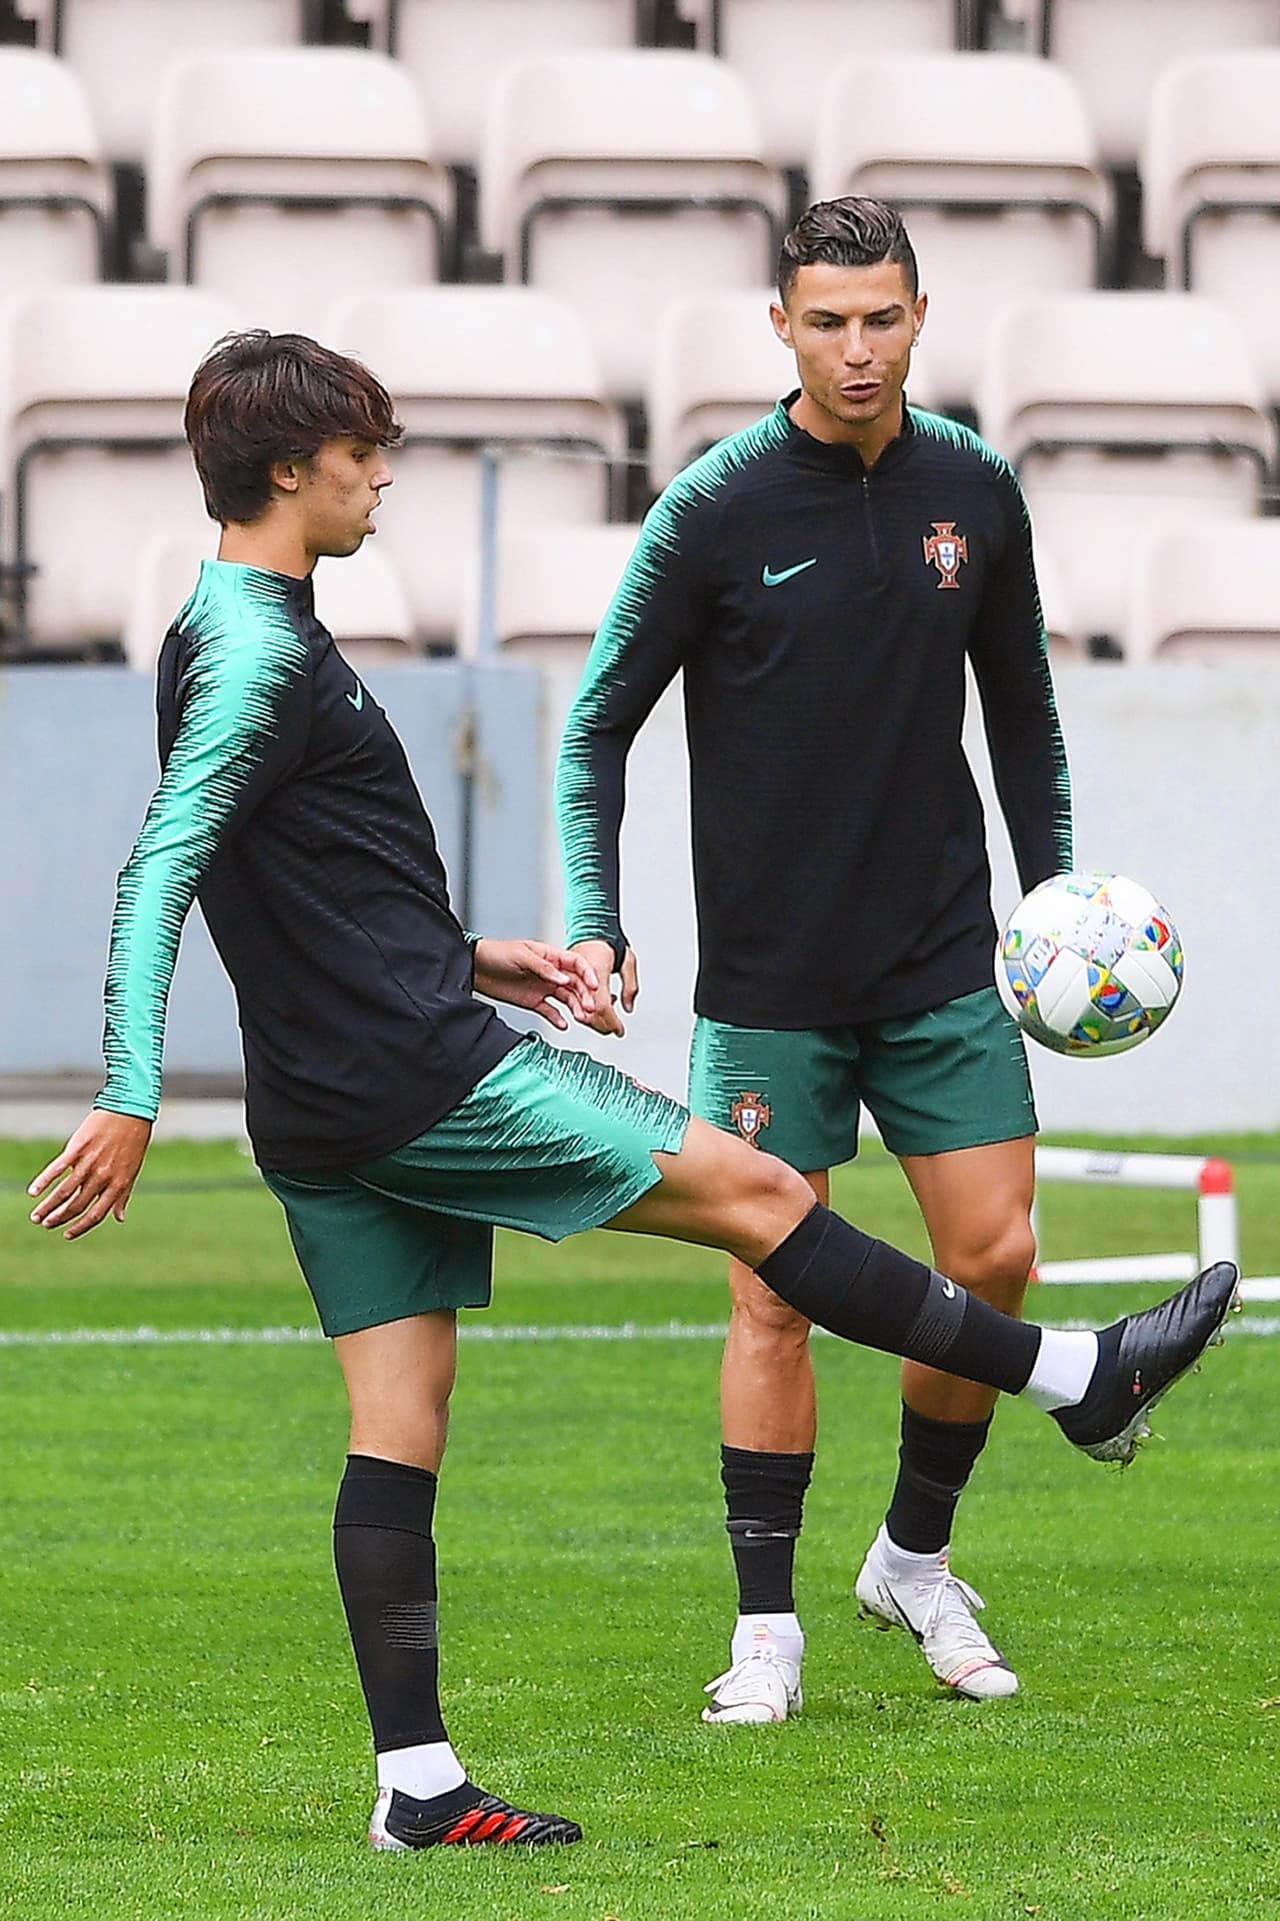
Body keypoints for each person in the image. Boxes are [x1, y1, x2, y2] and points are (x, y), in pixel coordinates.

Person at [28, 330, 1236, 1856]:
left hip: (334, 1093)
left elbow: (304, 885)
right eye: (364, 453)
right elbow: (159, 876)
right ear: (291, 470)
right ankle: (1073, 1375)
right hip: (416, 1081)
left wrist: (478, 955)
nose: (384, 474)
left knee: (401, 1420)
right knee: (767, 1197)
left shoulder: (221, 624)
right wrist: (130, 1088)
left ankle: (418, 1787)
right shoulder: (259, 652)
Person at [556, 197, 1086, 1718]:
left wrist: (1048, 905)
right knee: (773, 1297)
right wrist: (597, 913)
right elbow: (598, 724)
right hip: (772, 985)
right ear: (779, 326)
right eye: (828, 320)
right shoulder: (716, 508)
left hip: (940, 956)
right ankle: (767, 1628)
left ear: (923, 314)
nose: (858, 348)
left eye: (883, 317)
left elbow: (1027, 716)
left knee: (994, 1257)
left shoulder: (975, 490)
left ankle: (914, 1558)